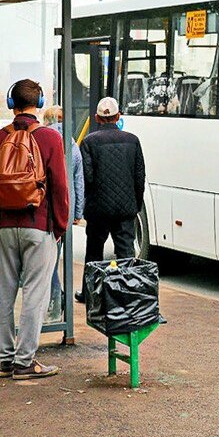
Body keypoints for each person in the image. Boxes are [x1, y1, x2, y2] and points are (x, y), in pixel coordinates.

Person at [0, 79, 70, 381]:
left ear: (11, 104)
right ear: (40, 103)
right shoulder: (50, 138)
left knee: (4, 292)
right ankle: (25, 362)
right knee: (35, 293)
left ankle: (5, 359)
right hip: (39, 225)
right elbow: (59, 187)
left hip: (5, 226)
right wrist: (58, 227)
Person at [75, 97, 145, 304]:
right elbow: (139, 177)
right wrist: (135, 205)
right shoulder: (132, 141)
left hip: (98, 209)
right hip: (125, 208)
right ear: (118, 116)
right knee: (125, 251)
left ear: (97, 118)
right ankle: (127, 295)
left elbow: (86, 178)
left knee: (94, 252)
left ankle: (90, 294)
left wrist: (87, 204)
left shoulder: (89, 142)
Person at [41, 105, 84, 316]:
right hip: (65, 210)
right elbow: (78, 182)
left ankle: (56, 299)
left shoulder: (43, 140)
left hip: (45, 210)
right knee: (55, 257)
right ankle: (57, 298)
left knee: (47, 261)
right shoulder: (73, 145)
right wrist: (77, 213)